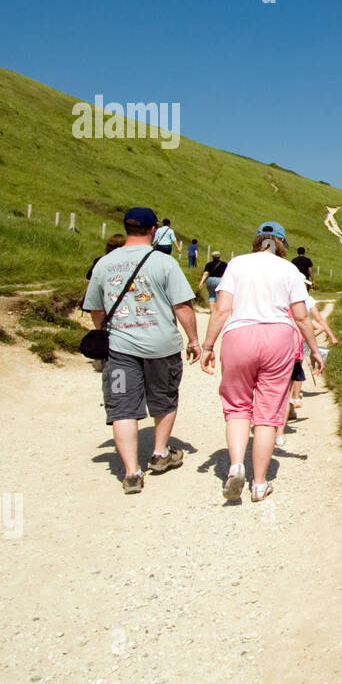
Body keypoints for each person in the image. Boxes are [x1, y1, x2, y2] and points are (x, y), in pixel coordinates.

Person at [201, 221, 323, 503]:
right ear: (281, 244)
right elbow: (302, 316)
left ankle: (235, 466)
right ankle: (259, 483)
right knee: (268, 414)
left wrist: (207, 345)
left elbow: (222, 310)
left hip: (239, 335)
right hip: (278, 338)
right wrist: (314, 350)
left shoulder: (237, 264)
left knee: (237, 408)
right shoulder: (289, 270)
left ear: (257, 241)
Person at [82, 207, 201, 495]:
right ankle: (160, 454)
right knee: (164, 397)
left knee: (122, 406)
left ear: (126, 227)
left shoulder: (104, 264)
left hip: (120, 349)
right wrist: (194, 340)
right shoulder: (164, 263)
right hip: (161, 347)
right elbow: (182, 306)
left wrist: (107, 332)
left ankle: (132, 472)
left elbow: (96, 309)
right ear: (153, 230)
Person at [288, 290, 338, 418]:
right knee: (297, 371)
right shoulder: (304, 305)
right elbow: (318, 323)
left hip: (279, 343)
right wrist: (307, 337)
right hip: (296, 342)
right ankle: (295, 398)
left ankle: (289, 402)